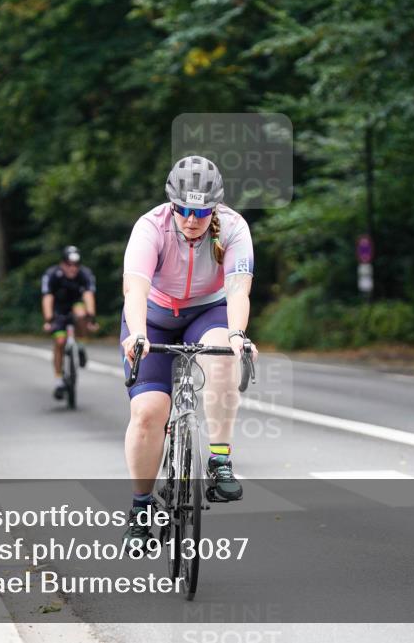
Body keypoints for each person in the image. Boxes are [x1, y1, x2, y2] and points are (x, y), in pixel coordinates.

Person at [120, 155, 257, 546]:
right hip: (154, 315)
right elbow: (136, 289)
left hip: (207, 310)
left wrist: (237, 335)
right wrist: (138, 335)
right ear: (172, 203)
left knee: (224, 354)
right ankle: (141, 505)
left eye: (200, 211)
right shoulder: (151, 227)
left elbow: (238, 289)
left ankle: (220, 459)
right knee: (148, 412)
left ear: (214, 206)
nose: (191, 219)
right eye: (183, 209)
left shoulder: (232, 227)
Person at [41, 245, 99, 399]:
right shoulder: (53, 274)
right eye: (69, 264)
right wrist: (48, 319)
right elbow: (47, 297)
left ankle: (80, 346)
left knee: (80, 314)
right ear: (62, 263)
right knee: (59, 342)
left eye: (76, 265)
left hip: (76, 306)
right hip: (59, 310)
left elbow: (88, 295)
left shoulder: (85, 274)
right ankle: (59, 380)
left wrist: (91, 318)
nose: (72, 268)